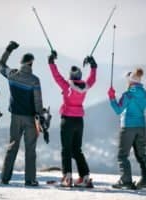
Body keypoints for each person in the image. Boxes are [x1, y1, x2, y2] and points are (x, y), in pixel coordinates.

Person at [47, 50, 97, 188]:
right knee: (77, 150)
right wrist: (93, 65)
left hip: (67, 120)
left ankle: (67, 177)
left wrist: (51, 62)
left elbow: (56, 76)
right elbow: (92, 79)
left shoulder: (67, 85)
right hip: (79, 121)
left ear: (70, 76)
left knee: (66, 150)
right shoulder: (85, 86)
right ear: (80, 76)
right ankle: (85, 177)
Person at [0, 41, 44, 186]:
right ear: (30, 64)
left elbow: (0, 64)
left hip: (15, 118)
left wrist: (8, 49)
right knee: (30, 150)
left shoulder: (12, 75)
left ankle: (5, 178)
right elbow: (38, 102)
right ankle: (30, 180)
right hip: (30, 119)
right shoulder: (35, 80)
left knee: (12, 146)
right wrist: (41, 118)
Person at [107, 68, 146, 190]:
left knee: (122, 155)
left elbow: (118, 110)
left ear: (130, 82)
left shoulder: (128, 95)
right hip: (141, 127)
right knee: (142, 155)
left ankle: (126, 181)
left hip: (128, 127)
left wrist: (112, 97)